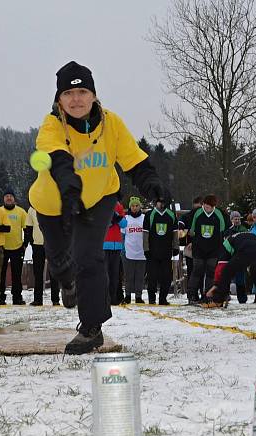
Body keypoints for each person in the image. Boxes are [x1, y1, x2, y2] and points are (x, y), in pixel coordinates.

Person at [28, 61, 168, 353]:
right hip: (55, 202)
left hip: (101, 196)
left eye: (82, 91)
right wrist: (69, 186)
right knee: (59, 262)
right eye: (68, 93)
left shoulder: (111, 123)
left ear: (93, 95)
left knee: (88, 258)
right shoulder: (51, 125)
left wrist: (151, 181)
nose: (76, 99)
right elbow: (59, 160)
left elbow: (134, 159)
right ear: (59, 100)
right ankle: (67, 283)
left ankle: (92, 328)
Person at [203, 232, 256, 308]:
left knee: (226, 271)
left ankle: (218, 301)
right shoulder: (249, 234)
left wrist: (216, 284)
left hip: (246, 249)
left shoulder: (226, 242)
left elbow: (221, 265)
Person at [186, 195, 227, 304]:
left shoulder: (218, 214)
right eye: (206, 206)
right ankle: (191, 296)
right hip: (199, 249)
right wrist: (192, 241)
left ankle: (208, 296)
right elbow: (192, 231)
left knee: (211, 273)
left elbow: (222, 230)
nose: (207, 208)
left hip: (214, 249)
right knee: (196, 272)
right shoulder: (198, 213)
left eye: (210, 207)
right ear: (203, 204)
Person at [0, 187, 28, 305]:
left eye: (11, 196)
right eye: (6, 196)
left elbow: (27, 229)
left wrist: (25, 244)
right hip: (1, 247)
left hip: (17, 247)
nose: (9, 198)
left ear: (14, 199)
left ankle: (17, 297)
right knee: (1, 274)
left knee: (16, 274)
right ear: (3, 199)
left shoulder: (21, 211)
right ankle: (0, 297)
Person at [144, 198, 177, 305]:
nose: (161, 204)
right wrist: (146, 249)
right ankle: (152, 299)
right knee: (152, 277)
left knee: (166, 277)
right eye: (159, 202)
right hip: (152, 252)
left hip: (166, 252)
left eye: (163, 202)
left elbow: (175, 233)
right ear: (156, 203)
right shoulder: (150, 215)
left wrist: (176, 247)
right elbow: (145, 234)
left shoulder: (171, 215)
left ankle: (163, 298)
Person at [27, 206, 59, 306]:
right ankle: (38, 299)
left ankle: (55, 299)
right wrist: (31, 242)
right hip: (37, 246)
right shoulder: (31, 209)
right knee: (38, 273)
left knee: (54, 273)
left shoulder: (53, 205)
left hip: (52, 244)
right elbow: (28, 227)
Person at [120, 196, 146, 304]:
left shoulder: (144, 218)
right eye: (132, 206)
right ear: (130, 207)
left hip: (142, 252)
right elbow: (122, 235)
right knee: (128, 275)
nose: (135, 208)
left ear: (140, 207)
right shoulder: (126, 219)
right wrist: (123, 249)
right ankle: (128, 295)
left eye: (136, 206)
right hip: (128, 251)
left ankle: (139, 296)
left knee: (140, 276)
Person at [103, 201, 126, 305]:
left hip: (117, 245)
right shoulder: (101, 203)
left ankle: (113, 298)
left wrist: (118, 217)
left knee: (115, 274)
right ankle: (104, 298)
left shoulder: (119, 206)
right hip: (104, 244)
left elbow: (124, 224)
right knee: (105, 274)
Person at [225, 210, 250, 303]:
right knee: (227, 277)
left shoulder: (243, 229)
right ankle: (225, 295)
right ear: (231, 220)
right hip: (231, 256)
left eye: (238, 219)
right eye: (235, 219)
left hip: (241, 257)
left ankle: (242, 298)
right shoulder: (228, 230)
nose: (237, 220)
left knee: (240, 278)